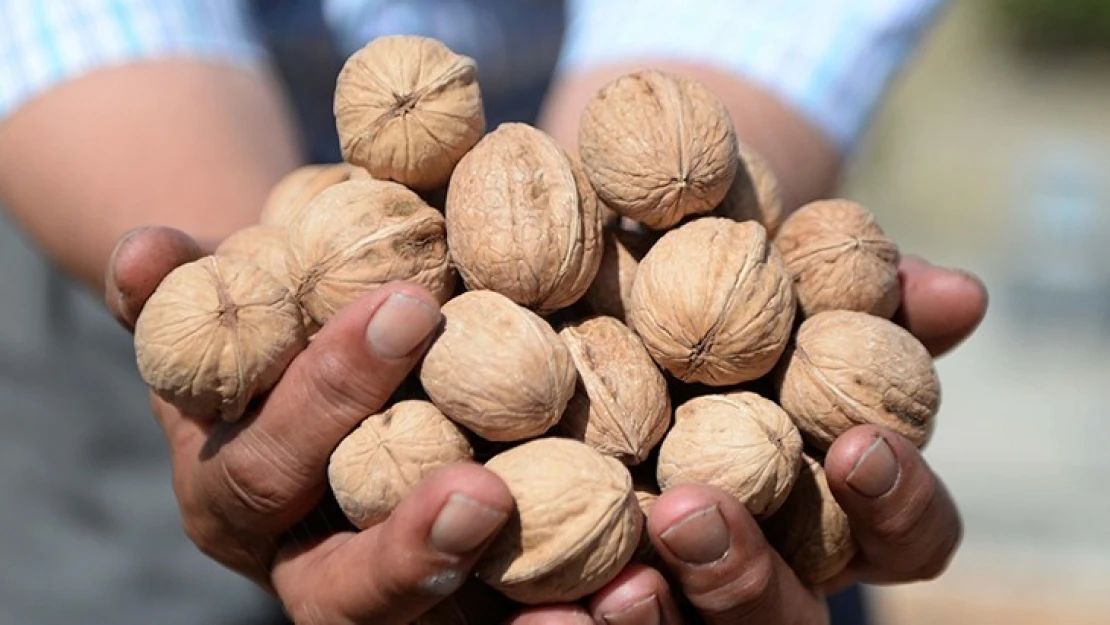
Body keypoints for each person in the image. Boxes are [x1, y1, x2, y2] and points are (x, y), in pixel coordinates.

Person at [0, 1, 988, 623]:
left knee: (729, 541)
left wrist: (669, 211)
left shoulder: (674, 292)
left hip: (645, 247)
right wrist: (262, 322)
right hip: (133, 178)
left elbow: (739, 61)